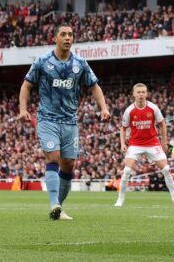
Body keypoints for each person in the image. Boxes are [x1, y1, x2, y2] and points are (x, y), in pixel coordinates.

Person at [17, 24, 110, 220]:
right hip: (47, 119)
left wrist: (104, 107)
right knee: (53, 158)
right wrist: (23, 109)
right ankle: (53, 203)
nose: (68, 37)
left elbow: (94, 86)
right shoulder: (42, 61)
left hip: (70, 121)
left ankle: (57, 208)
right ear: (55, 39)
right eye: (63, 34)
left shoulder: (80, 63)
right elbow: (26, 86)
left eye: (70, 35)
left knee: (68, 164)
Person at [114, 83, 174, 207]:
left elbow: (162, 124)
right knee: (126, 171)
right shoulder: (129, 110)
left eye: (143, 92)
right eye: (139, 92)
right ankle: (120, 199)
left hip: (152, 142)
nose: (141, 94)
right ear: (134, 94)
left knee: (167, 170)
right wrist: (122, 143)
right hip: (135, 143)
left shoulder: (153, 108)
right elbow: (123, 128)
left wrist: (163, 142)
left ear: (146, 93)